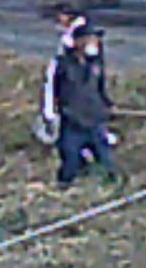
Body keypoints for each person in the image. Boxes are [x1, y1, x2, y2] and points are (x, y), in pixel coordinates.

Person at [42, 26, 115, 185]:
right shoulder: (61, 64)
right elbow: (49, 90)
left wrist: (107, 108)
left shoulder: (96, 65)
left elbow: (100, 90)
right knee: (70, 164)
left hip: (95, 122)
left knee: (107, 163)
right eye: (90, 38)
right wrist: (49, 116)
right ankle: (64, 188)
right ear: (77, 41)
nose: (94, 42)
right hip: (72, 124)